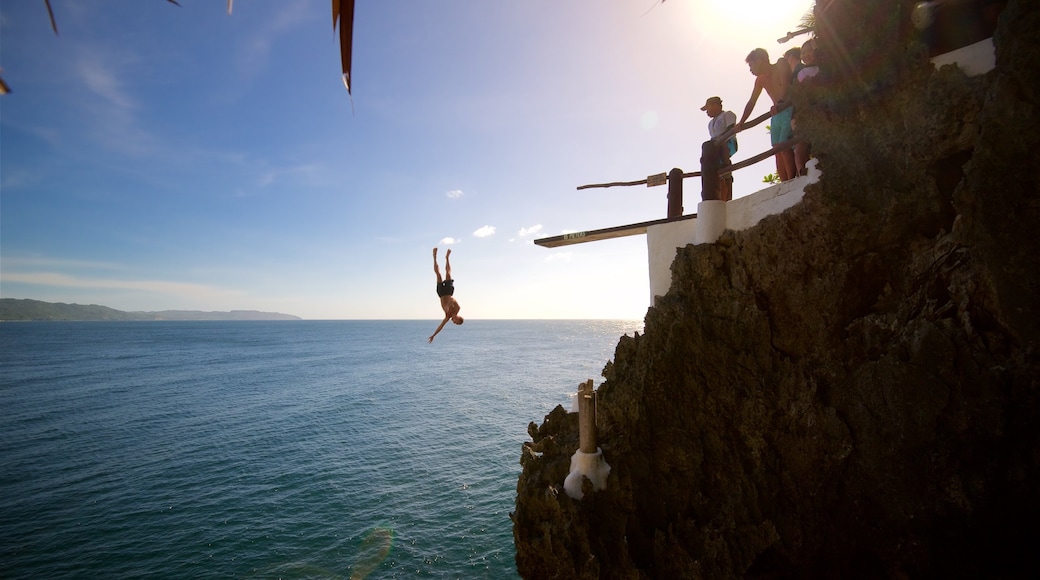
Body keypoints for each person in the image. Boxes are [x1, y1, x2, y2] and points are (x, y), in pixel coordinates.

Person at [736, 48, 797, 182]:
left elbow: (786, 83)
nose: (750, 69)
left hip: (787, 108)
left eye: (751, 65)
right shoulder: (760, 80)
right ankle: (784, 182)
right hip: (776, 115)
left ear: (760, 60)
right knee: (776, 150)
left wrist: (780, 102)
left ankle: (792, 181)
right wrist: (741, 122)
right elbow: (752, 101)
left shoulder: (780, 64)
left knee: (784, 146)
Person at [700, 96, 737, 201]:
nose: (707, 112)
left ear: (715, 105)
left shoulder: (728, 115)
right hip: (715, 146)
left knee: (723, 169)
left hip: (728, 143)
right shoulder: (710, 123)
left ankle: (725, 195)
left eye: (708, 108)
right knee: (714, 169)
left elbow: (731, 129)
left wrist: (720, 139)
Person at [793, 38, 819, 175]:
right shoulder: (801, 73)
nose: (806, 55)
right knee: (800, 143)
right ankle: (801, 170)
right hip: (805, 111)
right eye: (803, 52)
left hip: (819, 109)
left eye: (810, 51)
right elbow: (798, 95)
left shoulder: (822, 67)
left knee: (817, 139)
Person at [429, 247, 463, 343]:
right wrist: (448, 304)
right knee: (448, 273)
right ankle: (447, 257)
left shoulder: (447, 317)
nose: (453, 322)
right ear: (458, 319)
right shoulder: (457, 308)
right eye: (455, 322)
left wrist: (433, 335)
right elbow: (452, 299)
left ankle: (434, 257)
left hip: (441, 294)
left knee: (438, 275)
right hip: (448, 292)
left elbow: (441, 326)